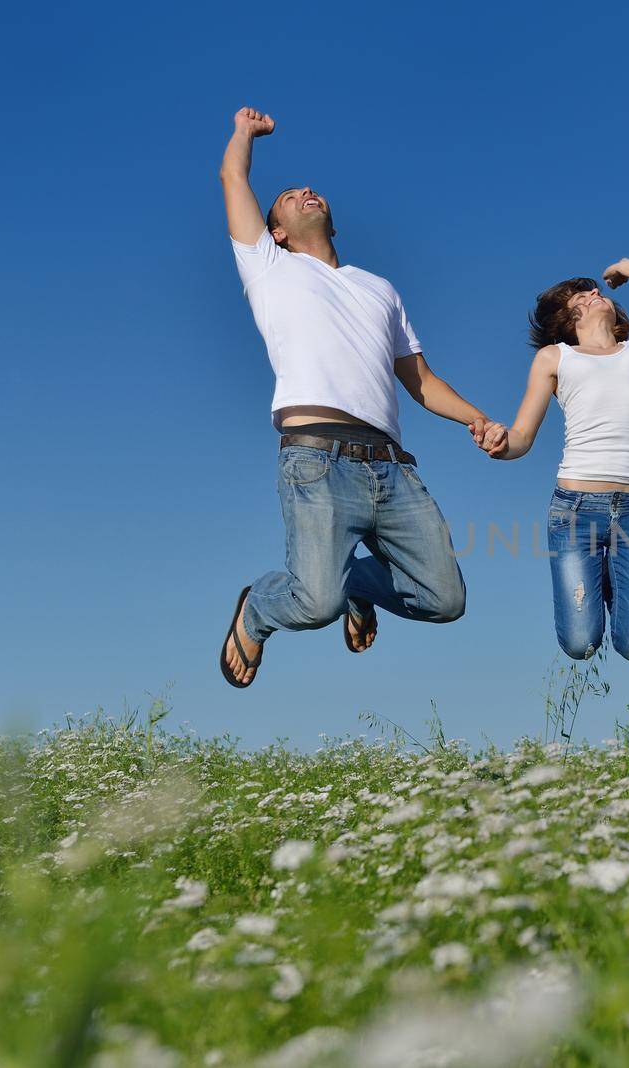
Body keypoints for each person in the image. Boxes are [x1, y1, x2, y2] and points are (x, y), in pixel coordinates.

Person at [216, 106, 506, 688]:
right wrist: (244, 133)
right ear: (275, 232)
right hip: (316, 459)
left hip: (392, 469)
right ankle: (258, 606)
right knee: (312, 603)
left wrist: (477, 418)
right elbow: (233, 180)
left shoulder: (380, 288)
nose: (306, 191)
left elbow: (419, 380)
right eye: (291, 195)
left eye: (311, 189)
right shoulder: (267, 267)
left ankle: (355, 586)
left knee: (445, 598)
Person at [488, 261, 629, 661]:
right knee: (581, 644)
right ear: (566, 318)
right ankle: (601, 571)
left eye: (597, 291)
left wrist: (624, 267)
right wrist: (502, 443)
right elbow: (522, 437)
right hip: (576, 510)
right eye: (583, 295)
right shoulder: (555, 358)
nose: (597, 294)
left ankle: (610, 572)